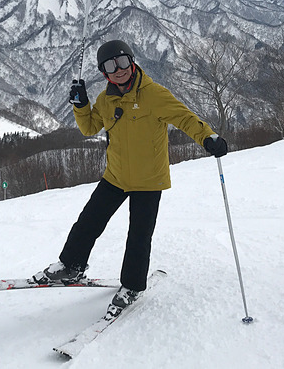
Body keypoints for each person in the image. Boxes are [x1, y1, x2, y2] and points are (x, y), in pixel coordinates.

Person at [33, 39, 228, 315]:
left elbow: (184, 118)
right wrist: (81, 105)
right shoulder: (105, 99)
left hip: (149, 180)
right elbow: (89, 128)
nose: (119, 69)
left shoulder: (153, 94)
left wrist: (208, 138)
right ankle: (71, 266)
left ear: (132, 61)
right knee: (88, 222)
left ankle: (132, 286)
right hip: (115, 176)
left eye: (123, 61)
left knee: (138, 236)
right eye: (111, 66)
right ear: (104, 73)